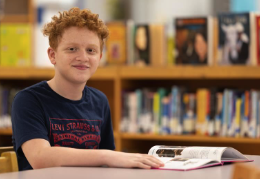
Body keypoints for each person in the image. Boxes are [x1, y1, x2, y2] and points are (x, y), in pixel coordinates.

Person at [11, 7, 164, 171]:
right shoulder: (28, 100)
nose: (83, 58)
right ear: (52, 55)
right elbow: (41, 158)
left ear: (99, 57)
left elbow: (107, 166)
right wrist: (107, 156)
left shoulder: (100, 101)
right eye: (72, 49)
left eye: (91, 50)